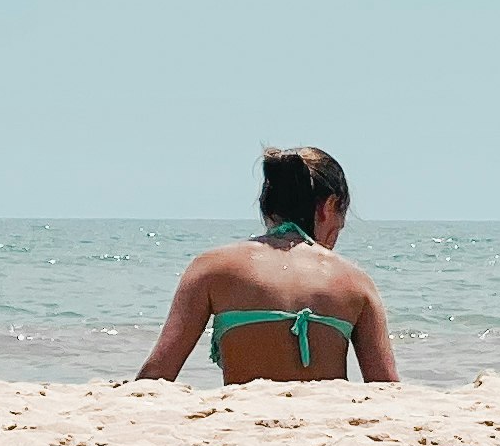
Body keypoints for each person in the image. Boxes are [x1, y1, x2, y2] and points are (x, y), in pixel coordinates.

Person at [134, 146, 400, 384]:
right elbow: (385, 387)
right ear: (329, 206)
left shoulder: (211, 268)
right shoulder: (356, 282)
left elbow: (158, 373)